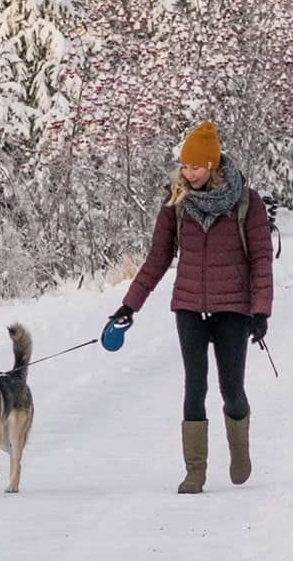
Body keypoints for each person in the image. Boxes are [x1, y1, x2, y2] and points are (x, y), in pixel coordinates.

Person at [108, 120, 274, 493]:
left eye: (196, 166)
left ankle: (239, 449)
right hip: (189, 308)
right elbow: (157, 258)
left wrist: (260, 310)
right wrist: (128, 306)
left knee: (231, 389)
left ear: (212, 165)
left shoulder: (247, 202)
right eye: (185, 165)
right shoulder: (176, 202)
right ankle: (195, 472)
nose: (189, 172)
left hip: (233, 309)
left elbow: (261, 260)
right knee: (194, 386)